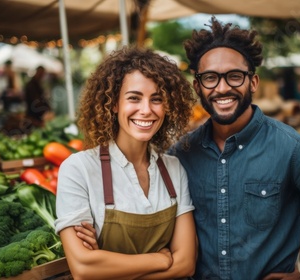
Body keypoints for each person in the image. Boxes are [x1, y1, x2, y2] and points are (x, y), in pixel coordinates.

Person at [165, 17, 300, 279]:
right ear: (198, 86)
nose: (222, 88)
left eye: (234, 76)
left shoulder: (292, 150)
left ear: (253, 82)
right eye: (210, 78)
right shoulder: (180, 155)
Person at [55, 47, 197, 279]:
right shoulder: (78, 169)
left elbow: (185, 264)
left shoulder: (173, 168)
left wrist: (108, 268)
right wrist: (159, 259)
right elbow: (83, 269)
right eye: (134, 98)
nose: (146, 110)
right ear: (113, 104)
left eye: (157, 99)